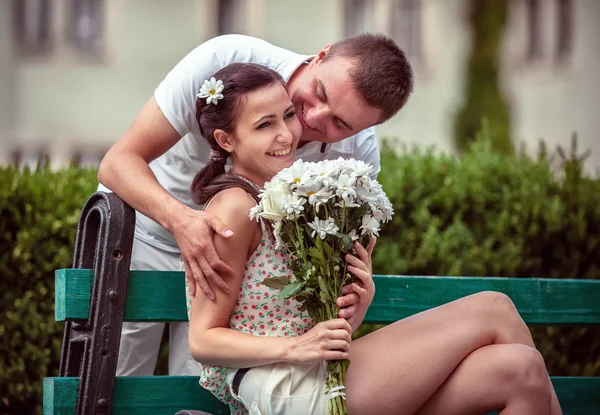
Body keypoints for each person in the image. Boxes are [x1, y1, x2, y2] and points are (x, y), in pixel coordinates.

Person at [186, 62, 562, 415]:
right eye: (264, 125)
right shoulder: (235, 206)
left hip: (319, 369)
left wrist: (357, 303)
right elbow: (203, 340)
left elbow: (309, 325)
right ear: (226, 139)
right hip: (280, 383)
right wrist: (294, 347)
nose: (286, 134)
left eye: (287, 115)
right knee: (493, 307)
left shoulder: (286, 200)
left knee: (521, 370)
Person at [97, 33, 414, 376]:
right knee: (120, 380)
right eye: (320, 92)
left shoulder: (357, 155)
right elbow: (118, 163)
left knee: (197, 388)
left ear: (363, 130)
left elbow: (348, 256)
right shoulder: (222, 58)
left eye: (340, 123)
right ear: (320, 55)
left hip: (235, 274)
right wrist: (182, 221)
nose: (314, 117)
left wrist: (357, 292)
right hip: (147, 238)